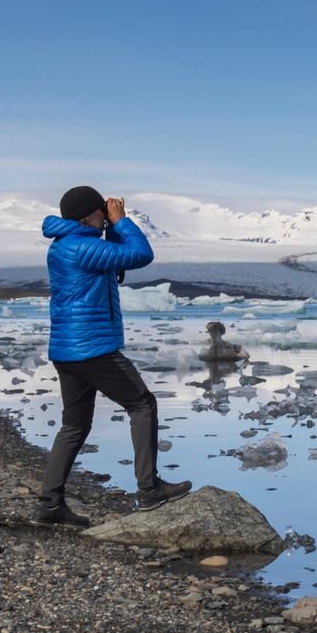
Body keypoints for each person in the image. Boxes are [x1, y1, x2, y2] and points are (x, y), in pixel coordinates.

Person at [36, 186, 191, 526]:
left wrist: (108, 227)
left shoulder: (66, 244)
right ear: (89, 215)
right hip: (92, 348)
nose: (106, 216)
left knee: (74, 425)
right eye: (101, 212)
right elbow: (139, 254)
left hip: (68, 349)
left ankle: (50, 505)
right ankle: (149, 490)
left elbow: (116, 260)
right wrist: (120, 222)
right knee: (142, 404)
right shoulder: (83, 246)